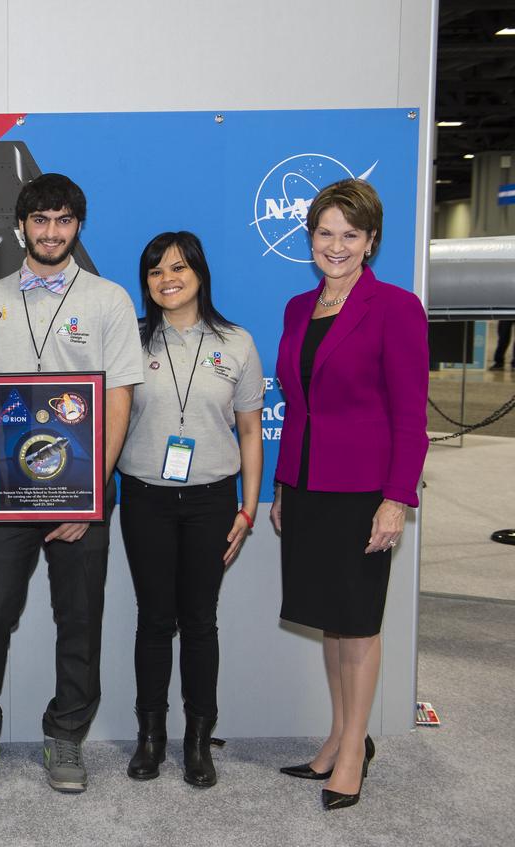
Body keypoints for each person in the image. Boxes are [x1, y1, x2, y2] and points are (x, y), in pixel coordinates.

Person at [0, 174, 144, 793]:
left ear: (77, 227)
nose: (52, 232)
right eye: (41, 220)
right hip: (7, 483)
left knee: (80, 615)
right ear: (21, 227)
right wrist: (18, 409)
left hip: (83, 488)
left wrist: (91, 496)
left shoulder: (108, 300)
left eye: (63, 221)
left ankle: (66, 736)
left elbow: (118, 399)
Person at [271, 179, 428, 810]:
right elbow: (298, 407)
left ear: (370, 242)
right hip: (307, 486)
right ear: (310, 237)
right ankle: (341, 737)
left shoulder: (396, 307)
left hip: (364, 491)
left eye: (350, 235)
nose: (336, 246)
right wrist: (285, 487)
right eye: (325, 232)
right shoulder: (296, 308)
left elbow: (409, 417)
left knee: (358, 625)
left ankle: (355, 753)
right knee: (332, 622)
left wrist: (396, 499)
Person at [116, 231, 264, 788]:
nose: (166, 279)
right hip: (145, 498)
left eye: (177, 268)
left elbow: (251, 429)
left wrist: (247, 511)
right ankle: (150, 736)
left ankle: (199, 740)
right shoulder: (130, 341)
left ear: (199, 272)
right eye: (155, 271)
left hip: (212, 501)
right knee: (154, 621)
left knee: (200, 622)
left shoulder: (238, 343)